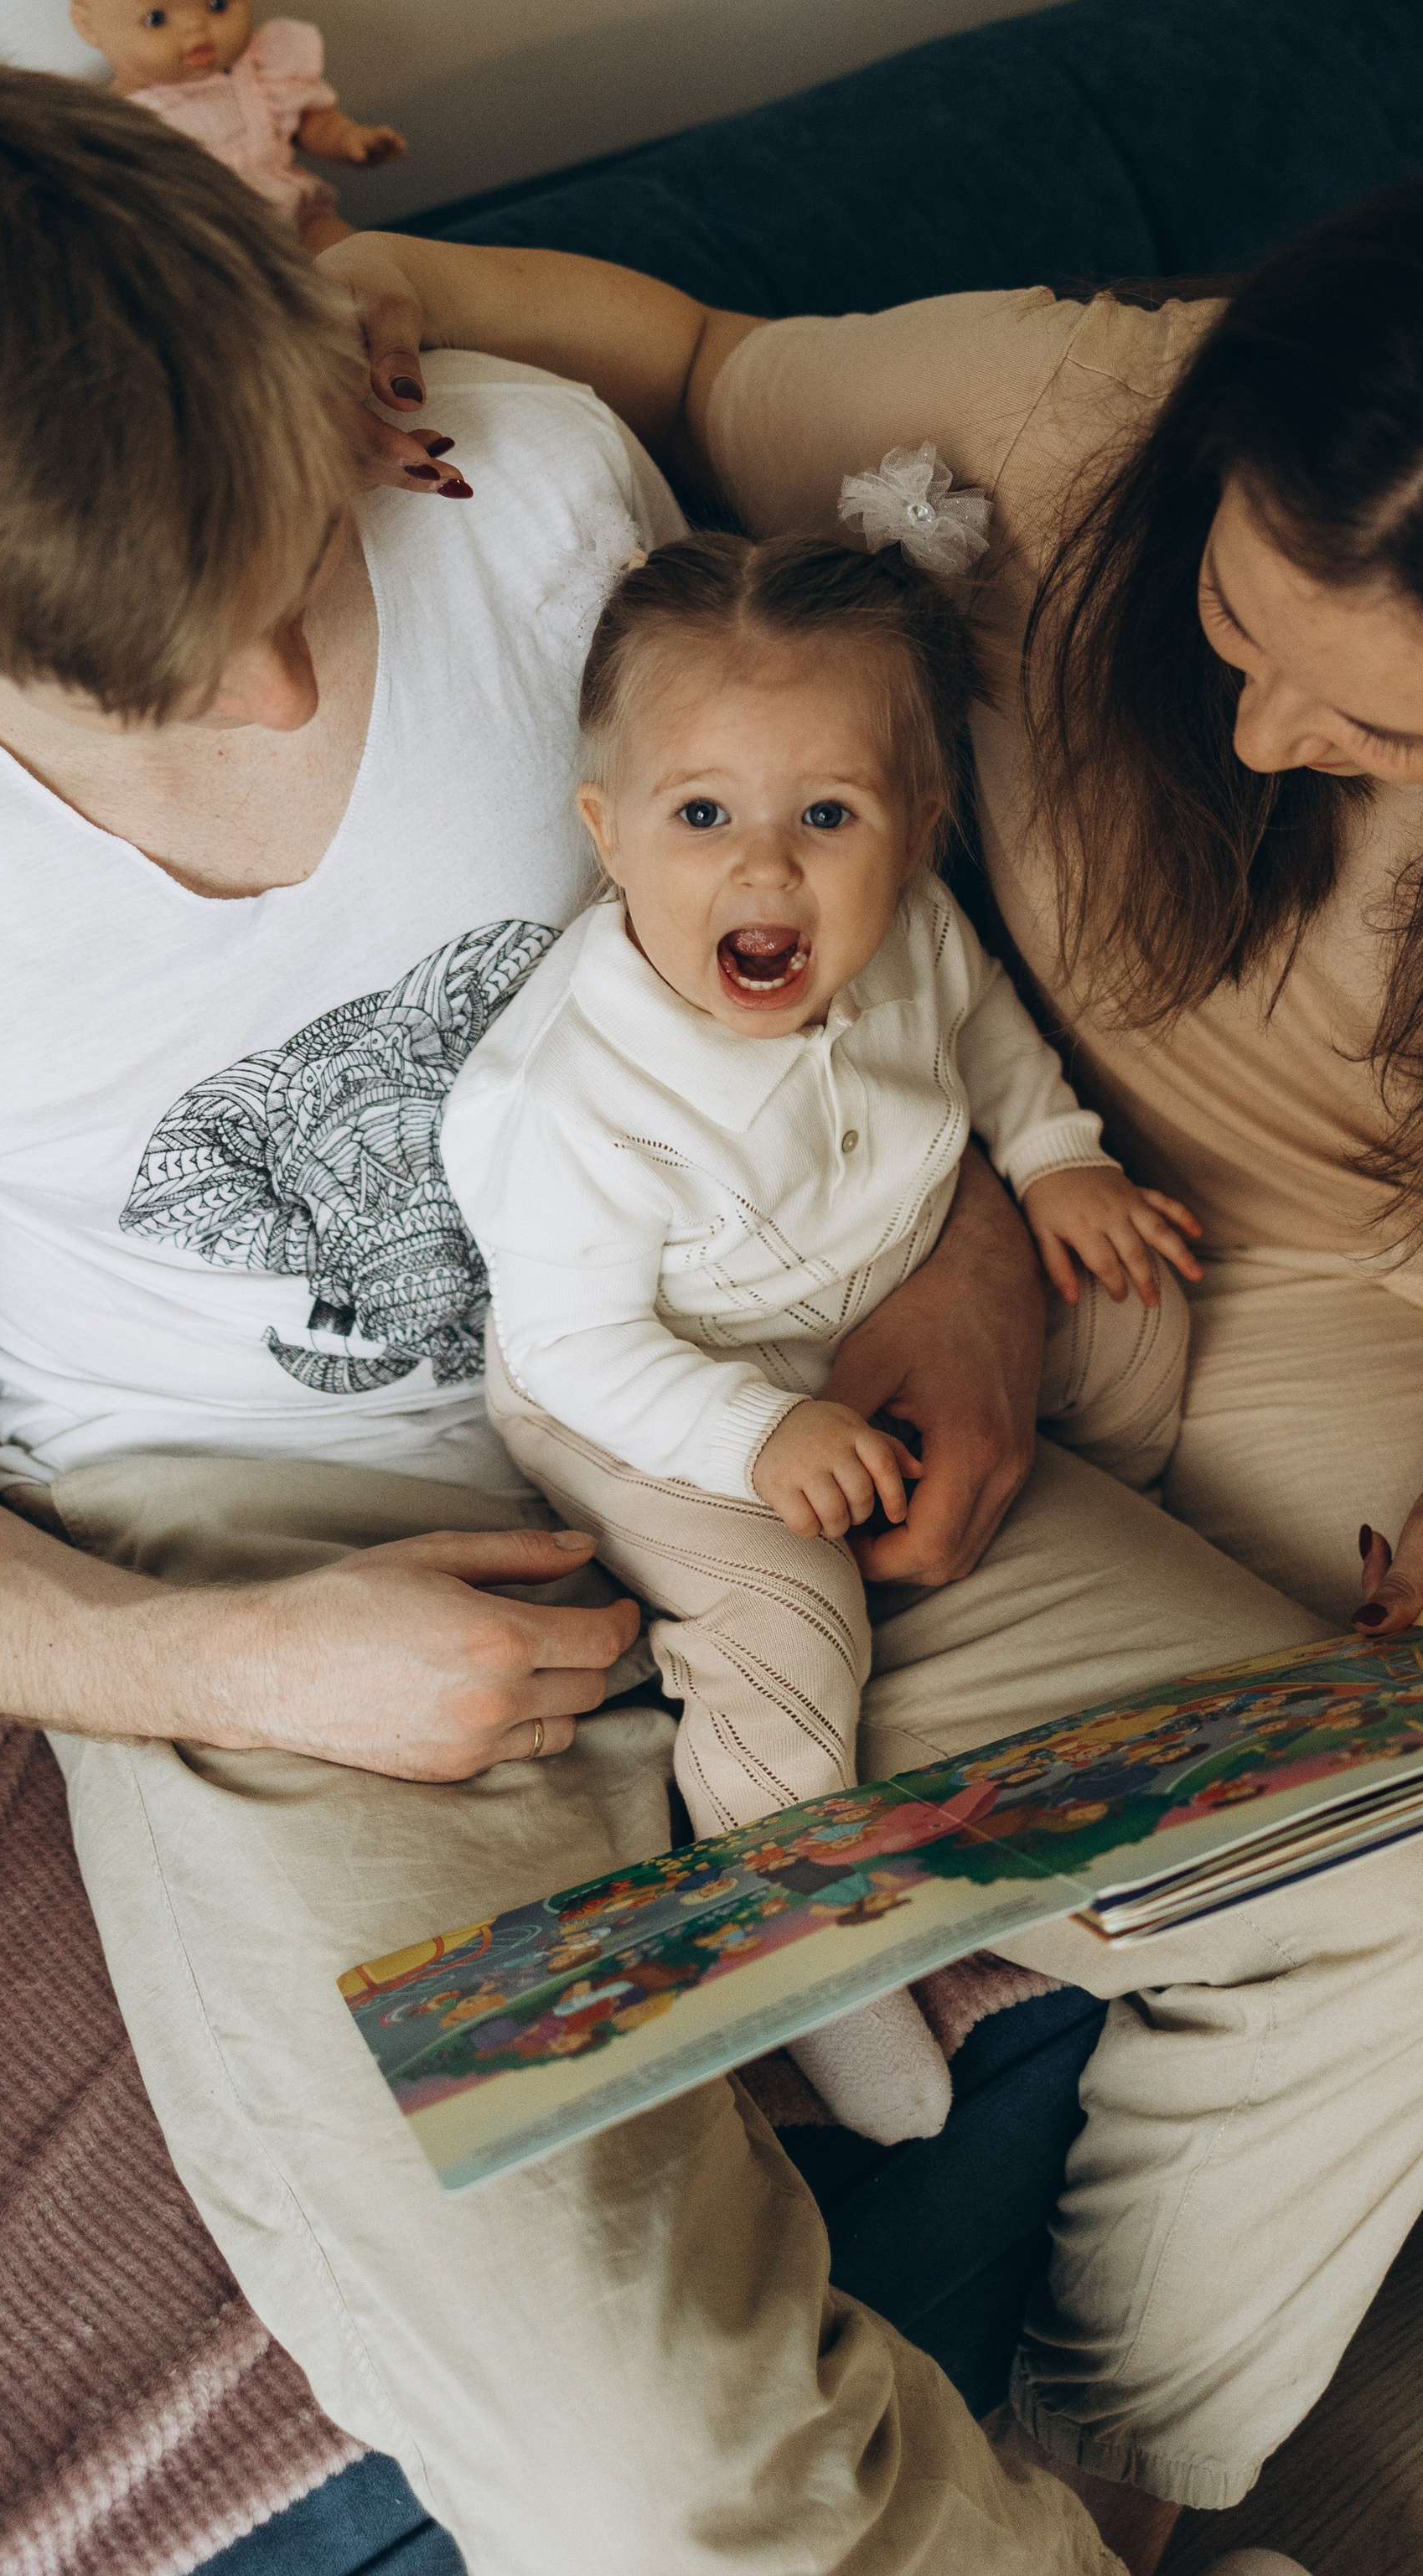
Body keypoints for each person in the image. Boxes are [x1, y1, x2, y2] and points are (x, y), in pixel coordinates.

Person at [0, 64, 1423, 2576]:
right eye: (165, 674)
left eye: (289, 569)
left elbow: (845, 924)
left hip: (752, 1354)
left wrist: (976, 1290)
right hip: (277, 1536)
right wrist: (265, 1671)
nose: (267, 692)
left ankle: (1110, 2490)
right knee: (634, 2483)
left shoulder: (530, 488)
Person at [330, 158, 1423, 2576]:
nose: (1256, 716)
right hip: (1267, 1296)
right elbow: (698, 358)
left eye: (1380, 719)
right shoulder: (1065, 425)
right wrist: (386, 291)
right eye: (1236, 624)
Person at [443, 525, 1201, 2142]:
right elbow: (577, 1346)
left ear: (919, 831)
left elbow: (987, 1038)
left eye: (828, 816)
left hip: (878, 1272)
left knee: (1135, 1306)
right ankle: (809, 1944)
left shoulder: (913, 931)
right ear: (610, 835)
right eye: (701, 814)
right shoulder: (572, 1096)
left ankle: (1011, 1544)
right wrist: (756, 1438)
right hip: (654, 1381)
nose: (764, 869)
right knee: (785, 1610)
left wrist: (1059, 1163)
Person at [56, 0, 406, 251]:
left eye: (218, 3)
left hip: (296, 220)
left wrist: (348, 140)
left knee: (360, 257)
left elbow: (309, 123)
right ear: (90, 25)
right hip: (213, 259)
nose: (197, 31)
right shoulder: (113, 126)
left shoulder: (261, 69)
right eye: (156, 19)